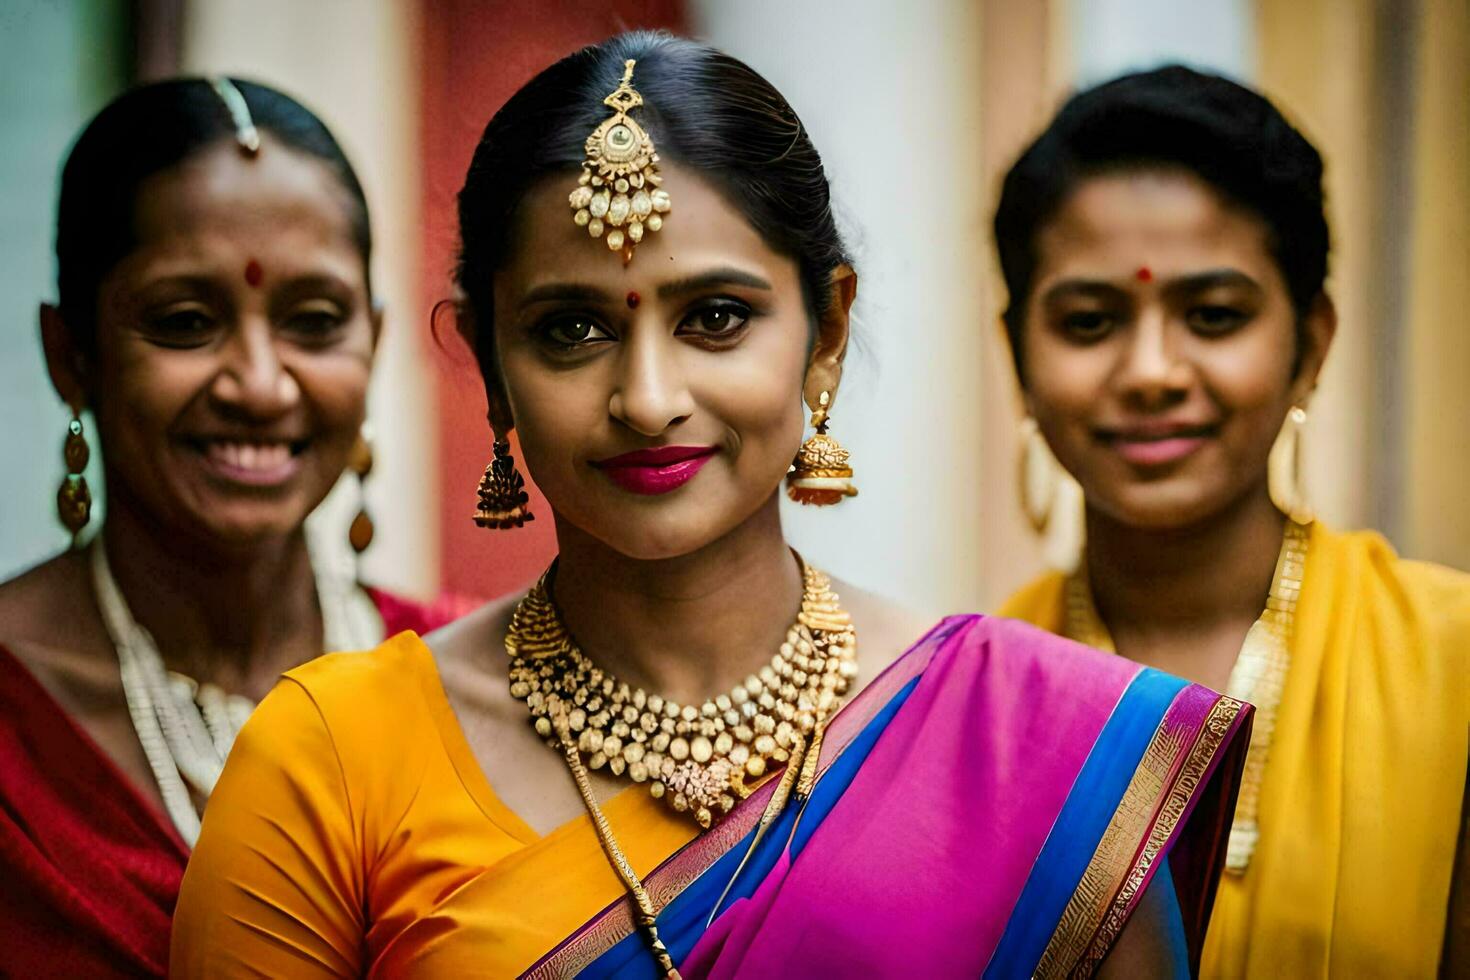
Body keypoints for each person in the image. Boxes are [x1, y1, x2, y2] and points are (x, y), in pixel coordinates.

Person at [172, 34, 1251, 978]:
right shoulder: (331, 759)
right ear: (493, 368)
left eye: (718, 317)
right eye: (570, 329)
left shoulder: (1030, 743)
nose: (647, 398)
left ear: (825, 332)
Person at [993, 66, 1470, 976]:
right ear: (1017, 352)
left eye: (1213, 315)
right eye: (1090, 321)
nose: (1151, 371)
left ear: (1312, 342)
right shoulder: (970, 705)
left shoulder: (1452, 668)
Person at [0, 78, 472, 977]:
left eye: (314, 321)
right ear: (72, 355)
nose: (260, 384)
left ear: (371, 342)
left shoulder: (476, 685)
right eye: (185, 322)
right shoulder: (16, 717)